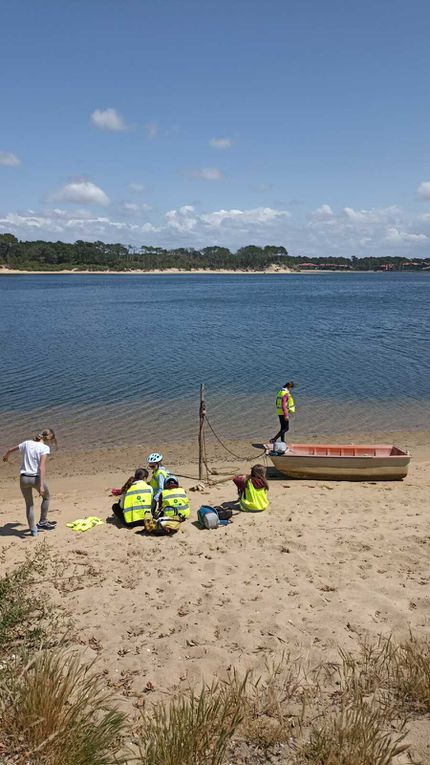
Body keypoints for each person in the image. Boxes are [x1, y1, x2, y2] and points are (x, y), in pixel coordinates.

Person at [2, 428, 57, 537]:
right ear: (49, 438)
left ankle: (33, 531)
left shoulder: (27, 443)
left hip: (23, 478)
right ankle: (43, 522)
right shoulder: (44, 448)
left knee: (29, 505)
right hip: (35, 478)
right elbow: (41, 467)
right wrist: (41, 485)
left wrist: (6, 456)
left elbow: (10, 450)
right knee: (46, 497)